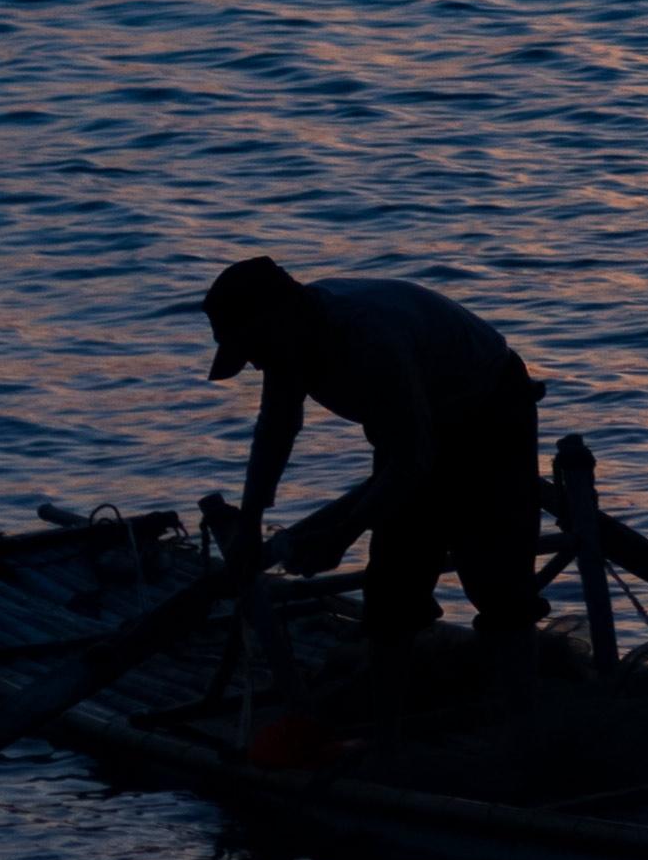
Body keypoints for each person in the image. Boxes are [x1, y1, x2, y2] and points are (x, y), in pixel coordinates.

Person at [199, 258, 545, 692]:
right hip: (410, 428)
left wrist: (342, 534)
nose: (254, 364)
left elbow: (414, 461)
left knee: (498, 579)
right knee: (392, 585)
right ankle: (389, 726)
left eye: (252, 349)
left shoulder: (368, 338)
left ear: (277, 319)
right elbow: (276, 429)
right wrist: (249, 522)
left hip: (489, 408)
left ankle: (520, 713)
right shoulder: (286, 344)